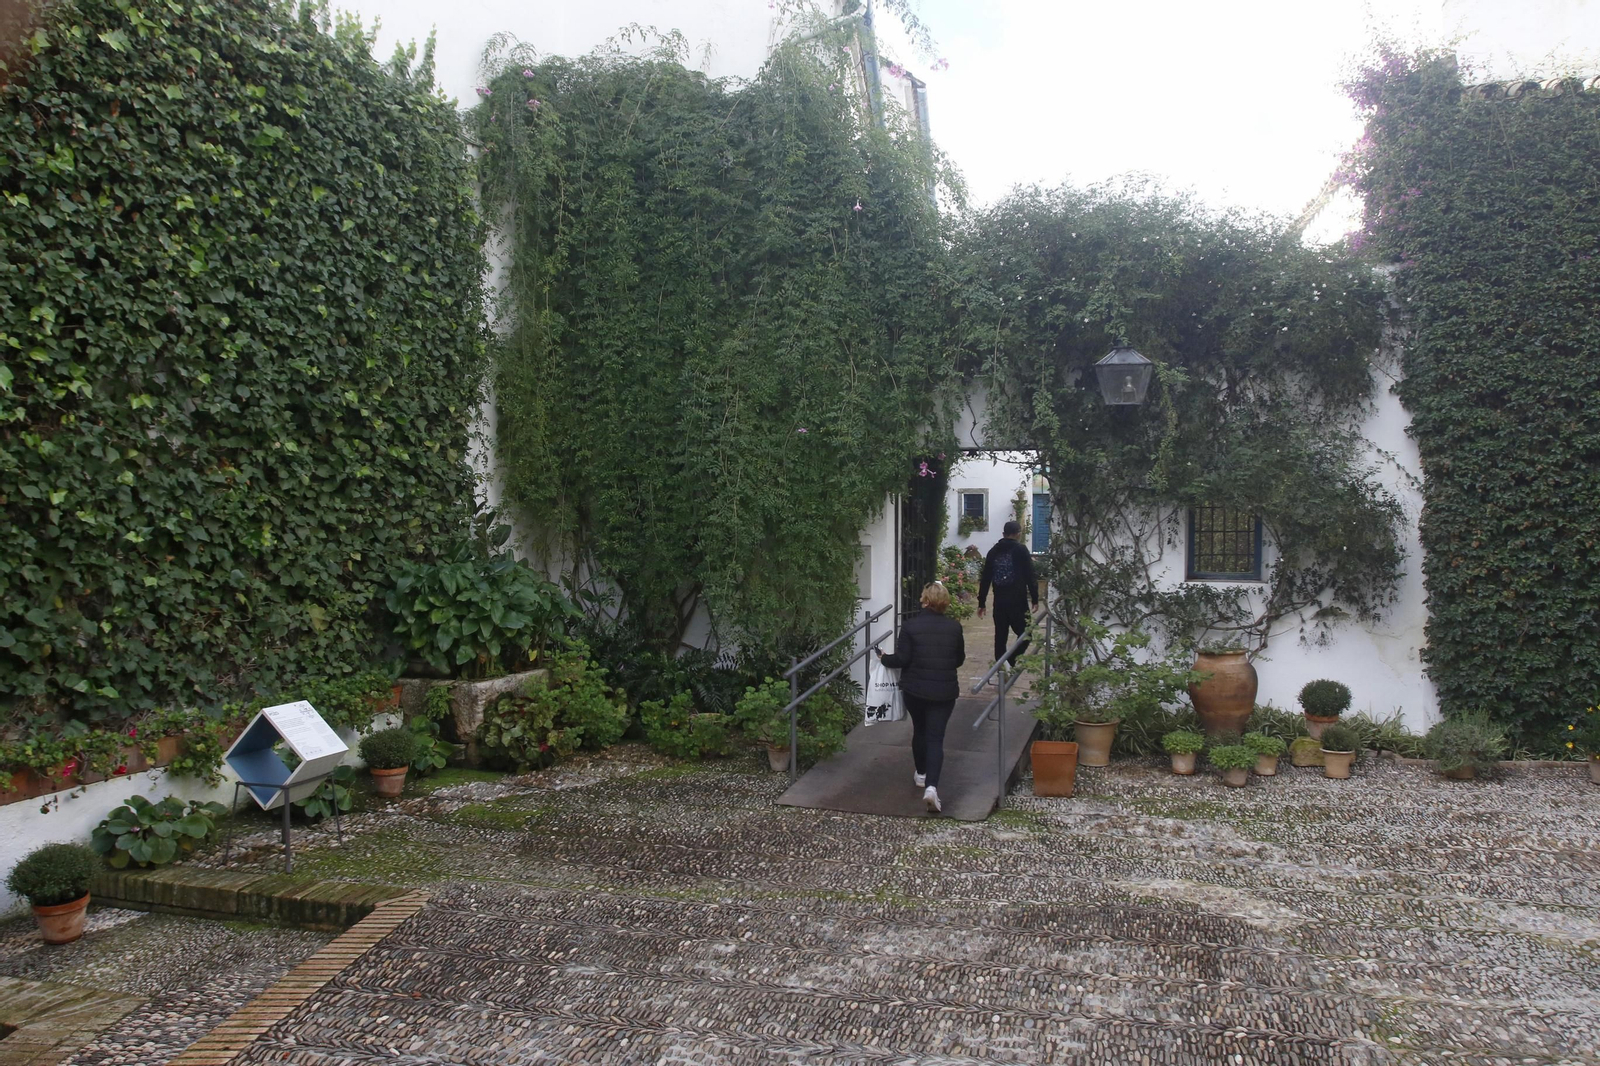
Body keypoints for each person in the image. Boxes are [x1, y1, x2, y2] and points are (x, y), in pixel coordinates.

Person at [876, 582, 965, 813]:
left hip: (915, 691)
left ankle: (921, 774)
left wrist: (884, 658)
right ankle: (932, 789)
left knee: (920, 731)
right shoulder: (954, 628)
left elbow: (903, 659)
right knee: (936, 739)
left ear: (925, 600)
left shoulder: (910, 626)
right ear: (944, 602)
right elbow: (959, 660)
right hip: (944, 692)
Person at [977, 519, 1038, 664]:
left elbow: (985, 578)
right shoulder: (1021, 550)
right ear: (1018, 534)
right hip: (1018, 601)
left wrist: (982, 602)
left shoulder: (993, 551)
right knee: (1026, 634)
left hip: (999, 601)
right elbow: (1030, 575)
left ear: (1003, 534)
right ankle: (1010, 662)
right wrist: (1035, 598)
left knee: (1000, 637)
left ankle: (1001, 668)